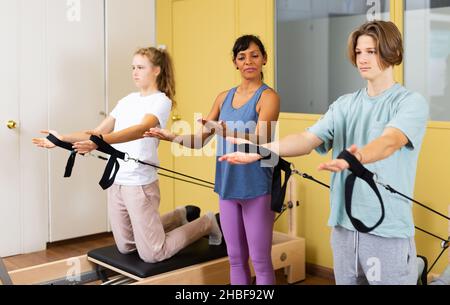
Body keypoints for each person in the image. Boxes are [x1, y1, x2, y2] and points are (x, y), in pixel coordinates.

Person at [220, 21, 430, 285]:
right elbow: (307, 139)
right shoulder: (344, 105)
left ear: (391, 51)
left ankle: (416, 270)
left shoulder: (409, 102)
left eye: (372, 51)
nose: (362, 58)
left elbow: (390, 140)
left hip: (385, 229)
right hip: (343, 226)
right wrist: (262, 150)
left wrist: (356, 157)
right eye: (359, 52)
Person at [32, 47, 222, 264]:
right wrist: (61, 138)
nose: (135, 72)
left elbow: (140, 129)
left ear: (157, 70)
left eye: (140, 67)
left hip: (140, 183)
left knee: (153, 253)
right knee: (126, 246)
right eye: (133, 67)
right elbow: (97, 132)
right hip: (117, 181)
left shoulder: (160, 101)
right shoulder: (127, 100)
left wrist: (100, 142)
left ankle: (206, 222)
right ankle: (178, 216)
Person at [145, 35, 280, 285]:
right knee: (235, 257)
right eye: (242, 57)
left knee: (260, 260)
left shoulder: (268, 97)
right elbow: (199, 140)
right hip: (228, 187)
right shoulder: (223, 98)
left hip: (257, 188)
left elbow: (263, 136)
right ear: (235, 63)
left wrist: (228, 132)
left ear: (264, 59)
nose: (248, 61)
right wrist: (171, 136)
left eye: (254, 55)